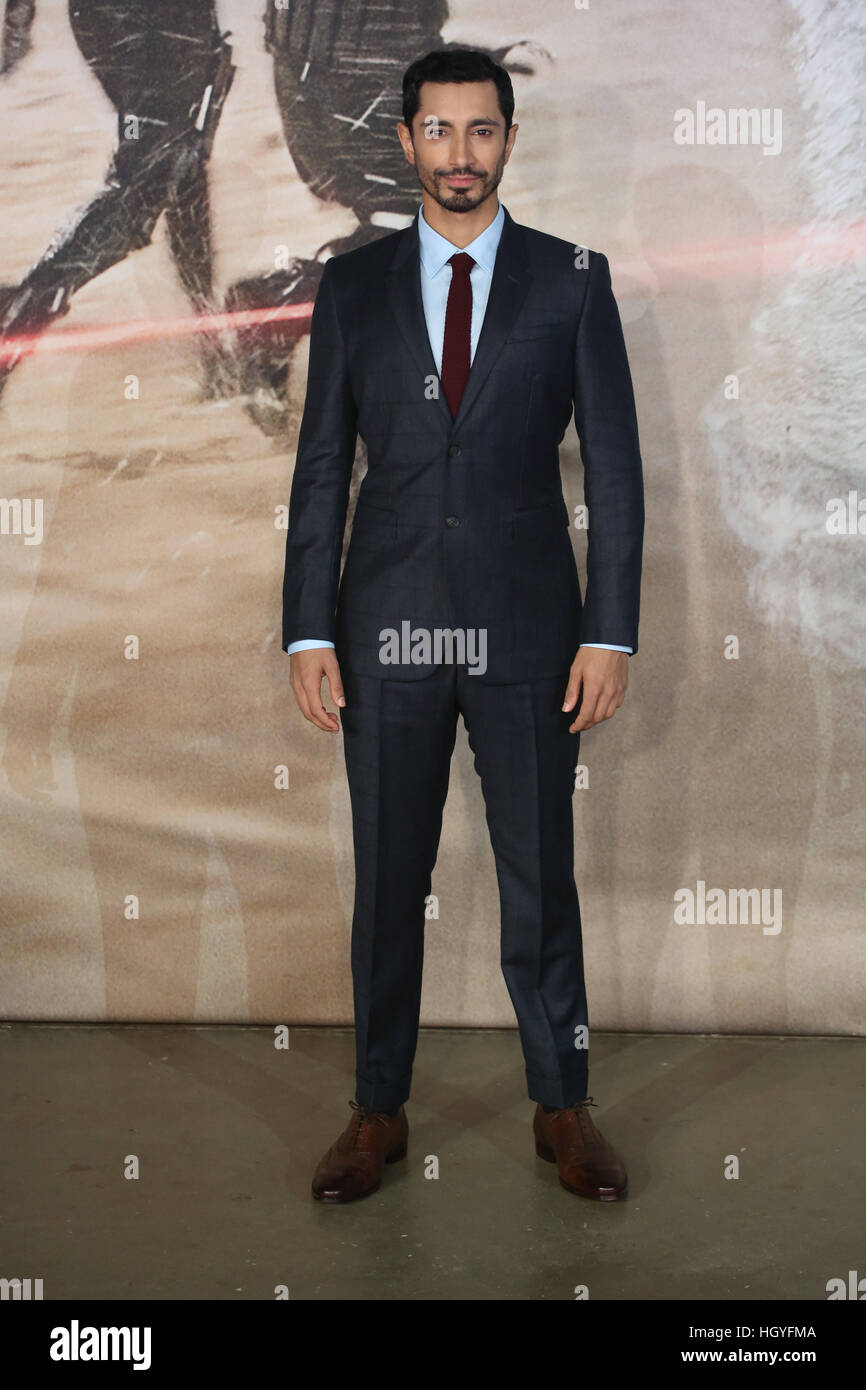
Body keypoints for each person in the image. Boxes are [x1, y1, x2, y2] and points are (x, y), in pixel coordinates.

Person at [282, 47, 644, 1204]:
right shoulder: (354, 288)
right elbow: (322, 473)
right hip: (381, 632)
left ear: (507, 140)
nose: (457, 154)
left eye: (478, 131)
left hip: (530, 635)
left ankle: (563, 1104)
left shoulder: (571, 280)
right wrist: (307, 630)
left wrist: (611, 631)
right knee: (389, 877)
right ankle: (374, 1110)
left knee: (540, 871)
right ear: (404, 142)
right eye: (435, 132)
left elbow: (621, 480)